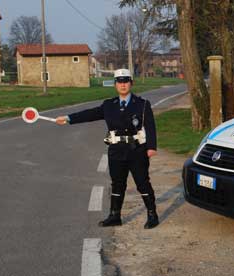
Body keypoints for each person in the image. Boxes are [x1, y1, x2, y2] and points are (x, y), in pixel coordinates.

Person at [55, 69, 159, 229]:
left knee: (142, 182)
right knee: (117, 183)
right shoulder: (109, 105)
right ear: (115, 84)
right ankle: (114, 215)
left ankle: (152, 215)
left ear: (131, 83)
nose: (123, 85)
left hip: (136, 150)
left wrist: (151, 147)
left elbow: (150, 126)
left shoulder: (142, 104)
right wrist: (68, 119)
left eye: (126, 81)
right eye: (119, 82)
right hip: (116, 150)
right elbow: (89, 114)